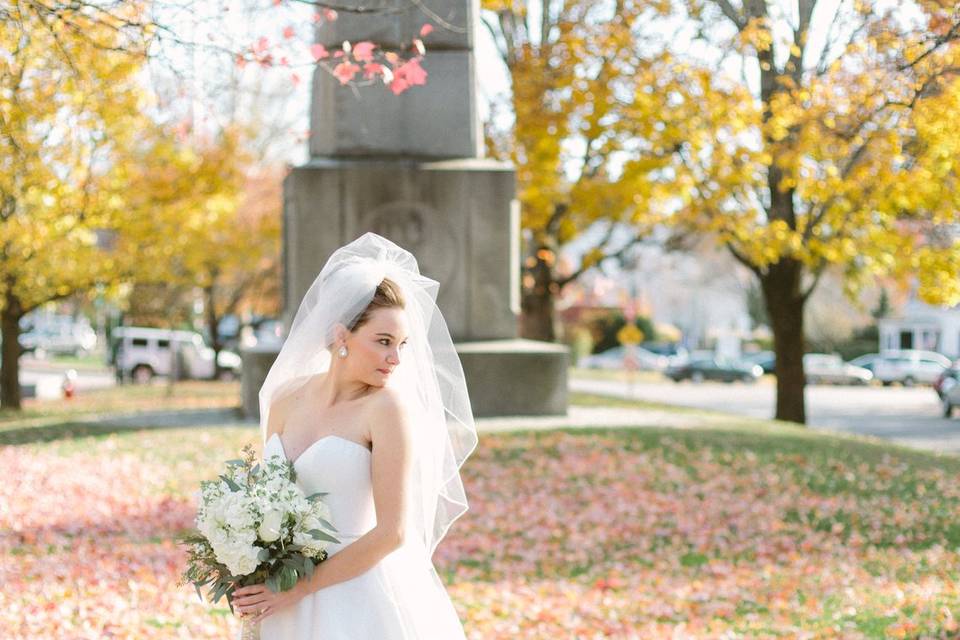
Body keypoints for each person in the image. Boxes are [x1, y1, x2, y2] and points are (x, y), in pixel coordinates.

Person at [232, 232, 476, 639]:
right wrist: (246, 561)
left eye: (401, 344)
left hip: (354, 596)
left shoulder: (387, 409)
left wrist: (300, 588)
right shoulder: (285, 398)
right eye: (383, 342)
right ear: (342, 336)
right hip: (280, 595)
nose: (396, 358)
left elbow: (393, 532)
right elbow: (261, 503)